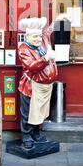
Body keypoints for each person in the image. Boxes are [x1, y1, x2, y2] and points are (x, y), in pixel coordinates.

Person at [17, 14, 70, 149]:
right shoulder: (23, 49)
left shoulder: (44, 39)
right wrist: (45, 58)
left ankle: (35, 133)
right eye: (34, 36)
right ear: (27, 36)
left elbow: (49, 30)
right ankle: (26, 136)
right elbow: (31, 66)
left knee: (39, 111)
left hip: (46, 86)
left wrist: (60, 18)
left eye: (39, 36)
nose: (38, 39)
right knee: (28, 112)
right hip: (31, 86)